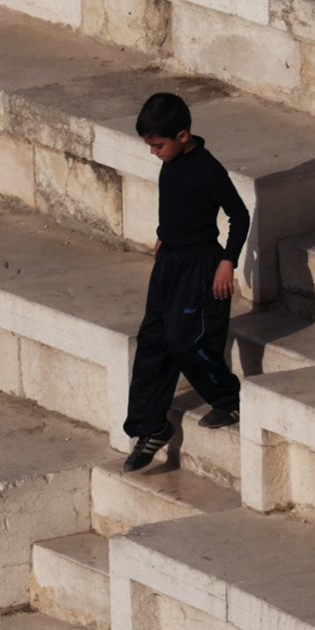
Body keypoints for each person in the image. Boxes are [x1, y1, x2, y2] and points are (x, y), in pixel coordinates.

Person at [122, 92, 251, 473]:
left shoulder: (207, 168)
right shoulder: (171, 161)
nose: (153, 153)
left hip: (201, 265)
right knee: (152, 341)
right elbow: (177, 205)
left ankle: (227, 399)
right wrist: (165, 234)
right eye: (150, 146)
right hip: (170, 262)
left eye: (158, 145)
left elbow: (239, 215)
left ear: (182, 136)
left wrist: (227, 262)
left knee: (186, 341)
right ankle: (151, 426)